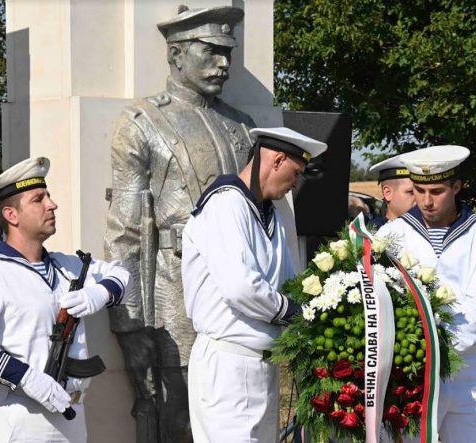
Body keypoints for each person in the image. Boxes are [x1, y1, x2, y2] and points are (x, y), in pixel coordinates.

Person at [104, 5, 255, 442]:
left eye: (227, 53)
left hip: (241, 301)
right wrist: (129, 323)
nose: (223, 64)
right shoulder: (142, 123)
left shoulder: (242, 126)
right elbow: (125, 231)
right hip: (175, 299)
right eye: (211, 52)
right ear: (176, 55)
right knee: (179, 420)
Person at [0, 157, 131, 443]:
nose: (52, 204)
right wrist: (27, 377)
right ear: (11, 215)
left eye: (49, 196)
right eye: (38, 199)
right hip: (26, 415)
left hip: (73, 413)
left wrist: (100, 293)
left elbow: (122, 274)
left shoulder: (66, 266)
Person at [182, 127, 327, 442]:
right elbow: (240, 287)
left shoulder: (270, 214)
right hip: (228, 365)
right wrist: (293, 312)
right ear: (277, 160)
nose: (296, 183)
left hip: (263, 363)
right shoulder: (225, 204)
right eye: (296, 173)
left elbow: (288, 283)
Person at [377, 145, 476, 443]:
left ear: (456, 187)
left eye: (436, 191)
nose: (426, 201)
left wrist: (434, 349)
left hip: (465, 373)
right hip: (410, 372)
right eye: (419, 191)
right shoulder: (391, 234)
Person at [369, 154, 415, 229]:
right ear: (388, 193)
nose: (421, 197)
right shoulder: (372, 232)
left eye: (421, 191)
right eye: (411, 192)